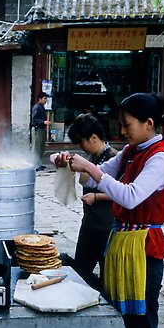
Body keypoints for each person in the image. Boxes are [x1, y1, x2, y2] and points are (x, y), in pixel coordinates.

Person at [54, 92, 164, 328]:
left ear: (149, 124)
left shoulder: (160, 157)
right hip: (123, 245)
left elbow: (131, 197)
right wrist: (68, 162)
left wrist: (89, 166)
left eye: (127, 124)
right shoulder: (132, 151)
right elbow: (95, 176)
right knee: (124, 324)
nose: (122, 131)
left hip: (143, 251)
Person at [66, 113, 117, 291]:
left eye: (82, 142)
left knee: (107, 279)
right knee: (80, 271)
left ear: (94, 137)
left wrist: (96, 197)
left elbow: (123, 192)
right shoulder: (92, 159)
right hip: (89, 224)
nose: (81, 147)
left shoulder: (113, 158)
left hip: (107, 227)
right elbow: (84, 179)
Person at [31, 91, 51, 171]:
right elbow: (34, 120)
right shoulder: (37, 107)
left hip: (42, 129)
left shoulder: (42, 107)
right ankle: (35, 165)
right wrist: (43, 122)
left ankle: (39, 163)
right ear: (40, 99)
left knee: (41, 147)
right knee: (36, 148)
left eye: (46, 98)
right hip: (37, 129)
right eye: (44, 98)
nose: (45, 100)